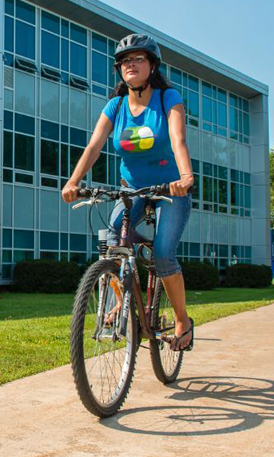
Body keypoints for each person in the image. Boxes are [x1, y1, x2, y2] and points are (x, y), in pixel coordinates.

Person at [61, 34, 194, 351]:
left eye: (138, 59)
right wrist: (73, 181)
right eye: (124, 61)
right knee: (111, 241)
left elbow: (178, 141)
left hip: (169, 189)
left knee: (163, 254)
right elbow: (94, 145)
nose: (130, 64)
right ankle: (122, 303)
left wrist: (186, 176)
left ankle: (182, 322)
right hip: (131, 189)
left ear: (152, 65)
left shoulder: (168, 99)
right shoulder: (116, 105)